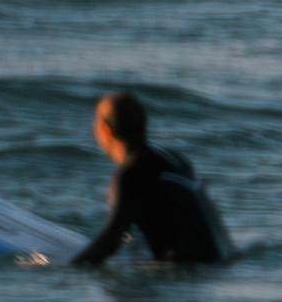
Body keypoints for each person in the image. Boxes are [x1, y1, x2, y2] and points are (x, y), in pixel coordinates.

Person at [72, 92, 235, 271]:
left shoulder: (131, 173)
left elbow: (113, 238)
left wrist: (71, 270)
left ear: (105, 130)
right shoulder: (174, 160)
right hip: (225, 259)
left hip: (192, 272)